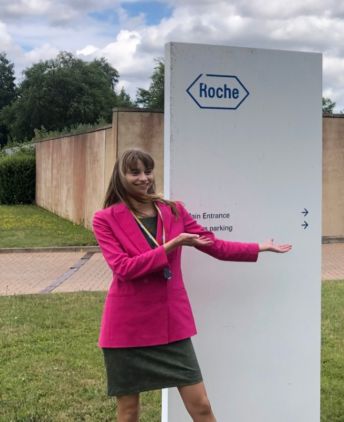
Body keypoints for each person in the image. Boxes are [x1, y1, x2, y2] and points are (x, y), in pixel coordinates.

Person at [92, 149, 292, 422]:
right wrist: (172, 245)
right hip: (127, 328)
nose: (143, 178)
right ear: (121, 176)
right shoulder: (105, 219)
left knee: (201, 406)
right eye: (135, 172)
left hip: (169, 323)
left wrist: (260, 247)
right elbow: (124, 269)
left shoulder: (173, 210)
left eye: (147, 171)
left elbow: (216, 246)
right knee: (128, 412)